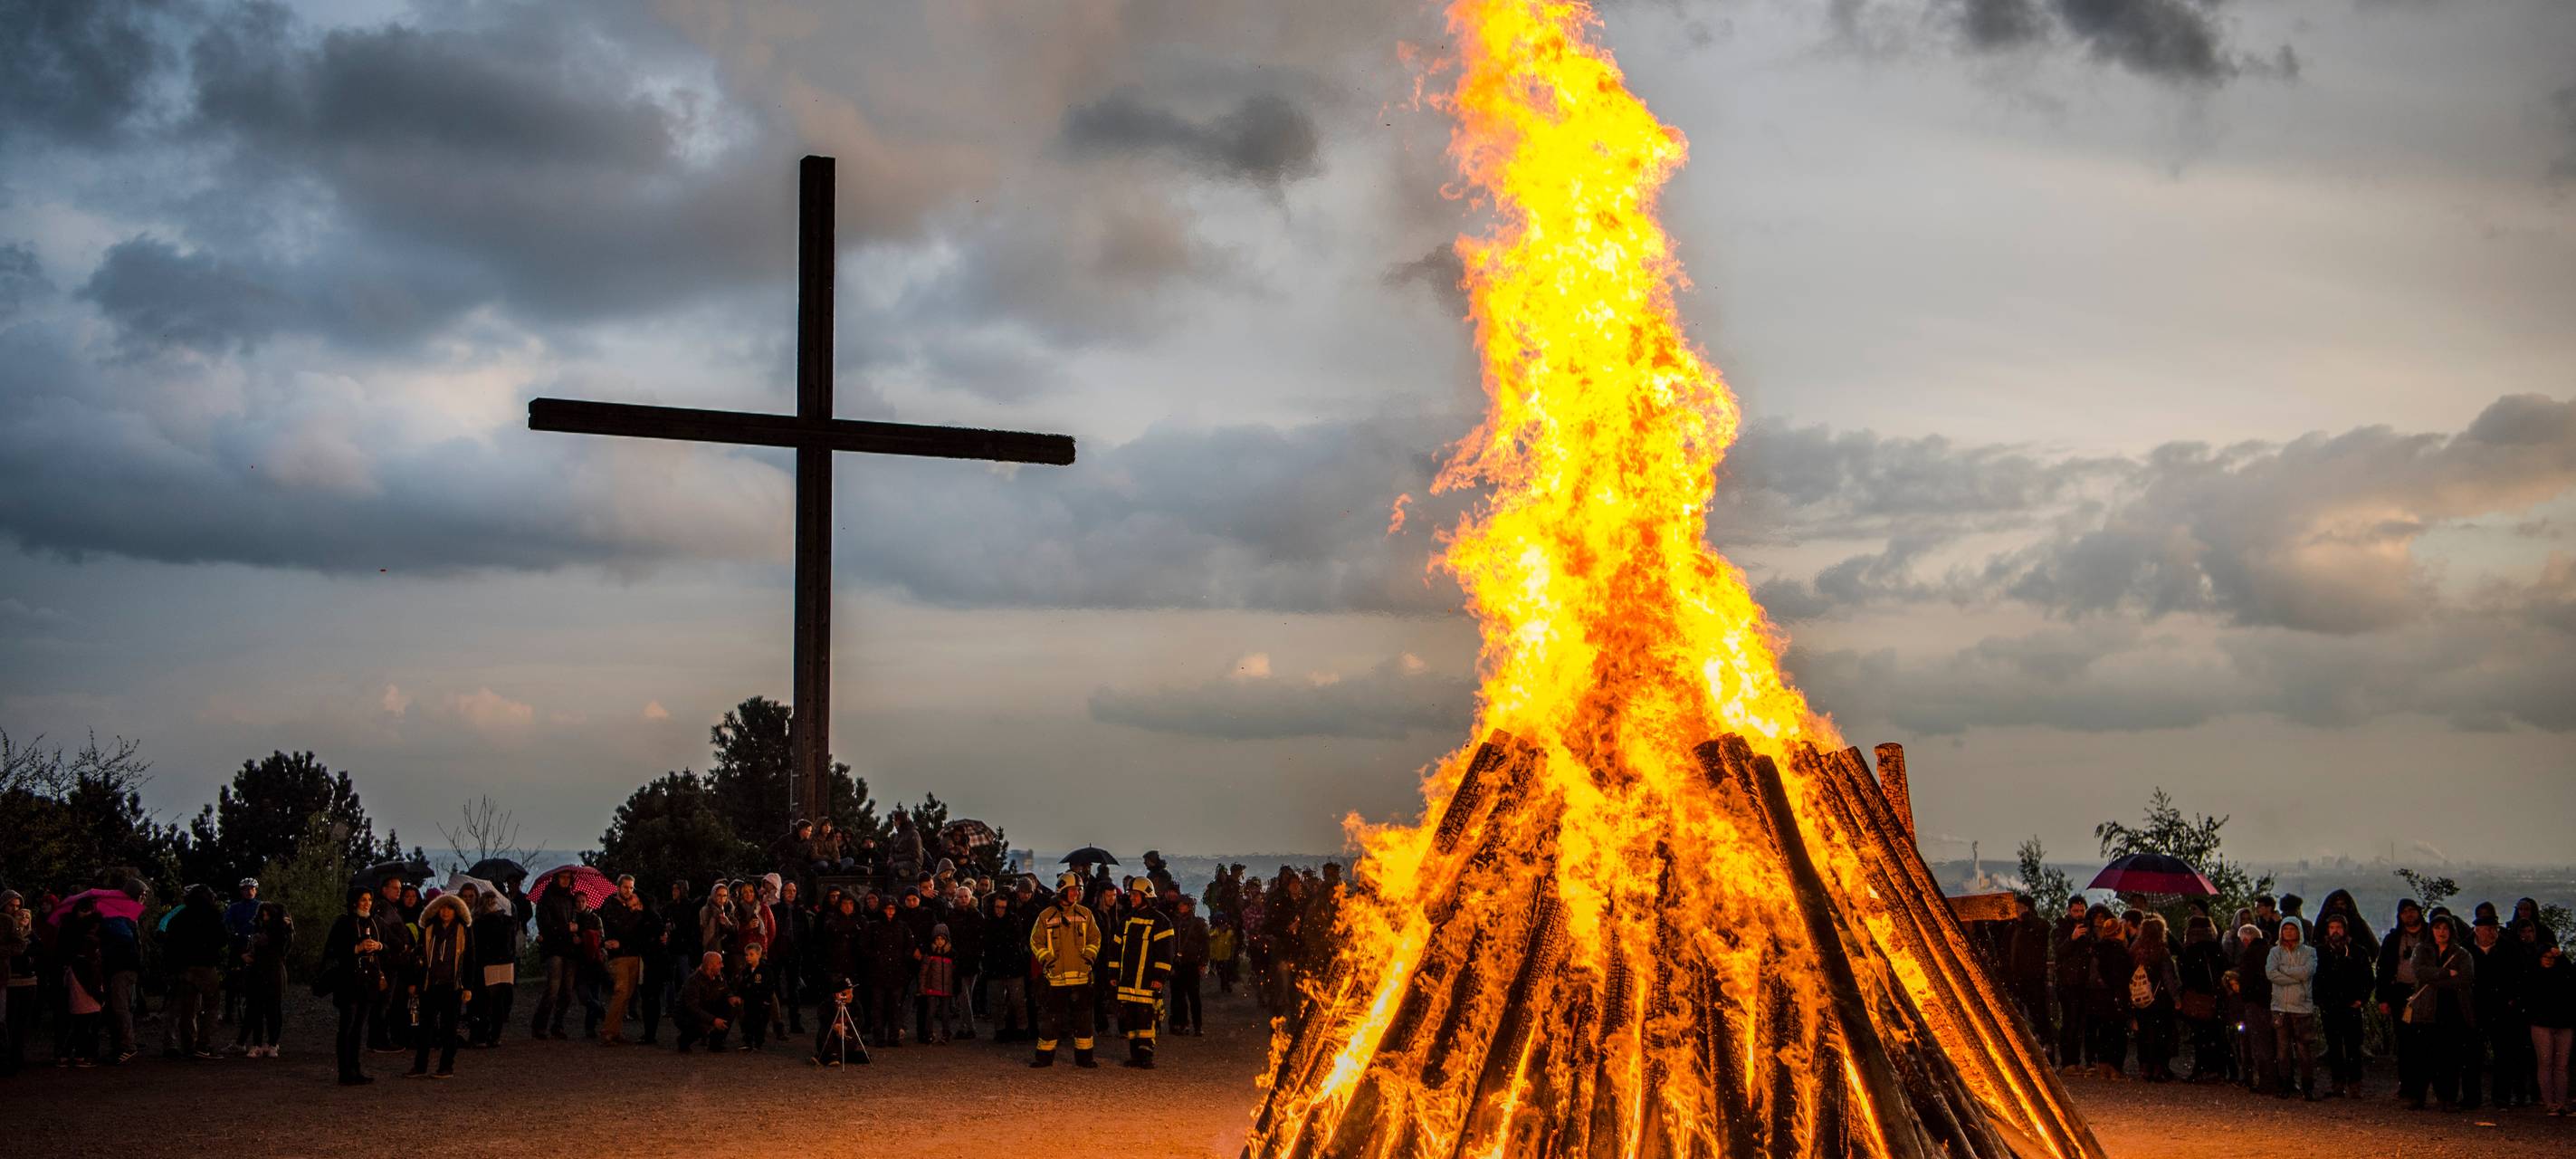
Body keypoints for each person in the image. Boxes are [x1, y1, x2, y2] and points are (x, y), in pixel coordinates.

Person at [1030, 871, 1101, 1068]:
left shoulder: (1086, 915)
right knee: (1051, 1021)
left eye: (1078, 890)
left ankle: (1085, 1059)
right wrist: (1048, 959)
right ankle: (1044, 1058)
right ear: (1061, 891)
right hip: (1056, 979)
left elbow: (1096, 938)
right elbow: (1036, 941)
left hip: (1081, 978)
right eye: (1072, 890)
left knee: (1084, 1021)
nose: (1076, 894)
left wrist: (1088, 957)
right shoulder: (1046, 916)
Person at [2408, 915, 2477, 1111]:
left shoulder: (2462, 954)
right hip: (2427, 1010)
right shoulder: (2422, 949)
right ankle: (2418, 1097)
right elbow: (2419, 971)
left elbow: (2464, 979)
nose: (2441, 932)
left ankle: (2447, 1098)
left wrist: (2434, 976)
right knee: (2423, 1056)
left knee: (2450, 1058)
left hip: (2452, 1010)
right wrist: (2446, 973)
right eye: (2437, 928)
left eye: (2445, 928)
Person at [1107, 876, 1175, 1068]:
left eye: (1135, 895)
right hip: (1128, 983)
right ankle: (1135, 1054)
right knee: (1131, 1019)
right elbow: (1115, 950)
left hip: (1147, 982)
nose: (1131, 898)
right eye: (1131, 894)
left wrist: (1159, 978)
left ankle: (1146, 1056)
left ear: (1146, 896)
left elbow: (1165, 954)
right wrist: (1113, 975)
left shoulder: (1162, 923)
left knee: (1147, 1020)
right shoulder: (1126, 921)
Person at [323, 887, 386, 1085]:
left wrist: (379, 946)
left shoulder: (375, 922)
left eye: (369, 899)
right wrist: (355, 949)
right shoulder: (344, 923)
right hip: (348, 982)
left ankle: (355, 1069)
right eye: (363, 900)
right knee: (347, 1027)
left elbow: (390, 944)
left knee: (359, 1027)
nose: (367, 903)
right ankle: (344, 1072)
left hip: (368, 982)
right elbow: (332, 950)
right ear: (354, 902)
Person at [406, 893, 472, 1078]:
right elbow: (417, 957)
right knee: (425, 1027)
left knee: (449, 1028)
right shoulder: (428, 930)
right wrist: (414, 981)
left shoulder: (463, 930)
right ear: (436, 910)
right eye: (442, 907)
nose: (445, 911)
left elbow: (469, 959)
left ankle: (446, 1066)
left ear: (456, 911)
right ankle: (420, 1066)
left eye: (450, 908)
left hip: (452, 986)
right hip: (430, 985)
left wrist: (468, 986)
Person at [2465, 913, 2525, 1109]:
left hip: (2501, 1009)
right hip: (2475, 1008)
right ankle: (2471, 1097)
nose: (2492, 932)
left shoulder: (2509, 948)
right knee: (2472, 1055)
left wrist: (2512, 999)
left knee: (2503, 1054)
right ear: (2477, 930)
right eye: (2489, 929)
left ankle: (2501, 1097)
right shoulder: (2465, 949)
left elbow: (2519, 976)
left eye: (2495, 928)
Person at [163, 883, 230, 1059]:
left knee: (188, 1007)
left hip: (185, 967)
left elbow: (171, 941)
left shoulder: (181, 916)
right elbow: (223, 939)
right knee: (211, 1006)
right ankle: (204, 1044)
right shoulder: (213, 915)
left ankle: (189, 1045)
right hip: (207, 966)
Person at [2313, 913, 2373, 1097]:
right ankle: (2337, 1083)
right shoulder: (2320, 952)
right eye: (2332, 928)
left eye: (2338, 927)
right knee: (2334, 1047)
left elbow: (2367, 979)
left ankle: (2355, 1084)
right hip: (2329, 1006)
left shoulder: (2358, 951)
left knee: (2354, 1046)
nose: (2335, 931)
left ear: (2345, 929)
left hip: (2351, 1006)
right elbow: (2315, 979)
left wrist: (2361, 999)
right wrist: (2320, 1000)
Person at [2380, 897, 2432, 1103]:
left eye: (2412, 911)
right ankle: (2406, 1085)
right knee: (2405, 1041)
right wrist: (2383, 998)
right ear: (2400, 916)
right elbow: (2383, 969)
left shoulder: (2430, 935)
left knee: (2425, 1041)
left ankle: (2424, 1087)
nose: (2409, 915)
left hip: (2426, 992)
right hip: (2400, 993)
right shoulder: (2393, 939)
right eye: (2404, 912)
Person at [2266, 917, 2322, 1100]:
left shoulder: (2309, 952)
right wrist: (2296, 978)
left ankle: (2308, 1086)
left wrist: (2285, 971)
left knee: (2304, 1050)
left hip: (2302, 1008)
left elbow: (2308, 972)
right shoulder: (2275, 952)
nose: (2289, 932)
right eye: (2285, 929)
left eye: (2292, 929)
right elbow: (2271, 974)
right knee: (2282, 1051)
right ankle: (2286, 1084)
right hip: (2280, 1007)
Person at [596, 874, 652, 1045]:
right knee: (621, 992)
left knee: (627, 994)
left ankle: (615, 1031)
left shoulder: (629, 907)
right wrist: (637, 914)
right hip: (619, 956)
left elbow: (634, 932)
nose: (629, 891)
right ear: (618, 887)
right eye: (626, 887)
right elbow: (623, 928)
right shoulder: (611, 906)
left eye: (631, 887)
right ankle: (607, 1031)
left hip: (632, 954)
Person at [2523, 934, 2572, 1116]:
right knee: (2546, 1063)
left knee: (2561, 1065)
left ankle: (2561, 1102)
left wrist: (2561, 957)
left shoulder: (2564, 975)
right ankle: (2549, 1102)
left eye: (2551, 958)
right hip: (2542, 1024)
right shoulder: (2533, 976)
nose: (2548, 960)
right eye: (2545, 957)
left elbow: (2572, 974)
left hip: (2563, 1023)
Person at [2128, 915, 2180, 1082]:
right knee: (2161, 1034)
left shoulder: (2135, 949)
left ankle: (2144, 1067)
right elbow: (2168, 978)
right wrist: (2176, 998)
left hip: (2140, 998)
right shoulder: (2161, 951)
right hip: (2160, 999)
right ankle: (2159, 1068)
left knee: (2143, 1034)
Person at [863, 896, 917, 1047]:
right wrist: (877, 958)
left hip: (896, 973)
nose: (890, 912)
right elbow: (865, 947)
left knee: (895, 1006)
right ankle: (879, 1037)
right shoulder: (874, 927)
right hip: (878, 973)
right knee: (878, 1006)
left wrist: (902, 958)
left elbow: (910, 946)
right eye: (887, 909)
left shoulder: (902, 927)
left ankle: (893, 1036)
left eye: (892, 909)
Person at [240, 901, 291, 1058]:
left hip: (272, 971)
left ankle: (271, 1043)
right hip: (261, 971)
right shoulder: (267, 930)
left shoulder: (279, 932)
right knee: (259, 1008)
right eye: (263, 914)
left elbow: (282, 946)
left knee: (272, 1009)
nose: (265, 917)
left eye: (267, 914)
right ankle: (260, 1043)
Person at [979, 892, 1030, 1042]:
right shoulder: (989, 921)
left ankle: (1021, 1028)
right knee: (997, 1001)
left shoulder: (1012, 921)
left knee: (1017, 1000)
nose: (1000, 910)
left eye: (1002, 907)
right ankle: (1001, 1029)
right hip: (997, 966)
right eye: (998, 907)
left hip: (1011, 966)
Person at [2232, 921, 2275, 1093]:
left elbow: (2249, 981)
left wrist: (2243, 993)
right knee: (2269, 1042)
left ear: (2246, 940)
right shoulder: (2270, 951)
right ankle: (2274, 1079)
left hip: (2256, 1004)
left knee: (2259, 1044)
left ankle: (2266, 1082)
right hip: (2270, 1002)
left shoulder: (2250, 954)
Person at [2050, 896, 2091, 1070]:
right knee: (2070, 1021)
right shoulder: (2060, 928)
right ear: (2069, 910)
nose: (2079, 914)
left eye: (2082, 911)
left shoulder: (2088, 929)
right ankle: (2068, 1061)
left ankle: (2075, 1060)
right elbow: (2058, 951)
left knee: (2080, 1022)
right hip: (2067, 983)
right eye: (2076, 911)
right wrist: (2072, 938)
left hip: (2083, 982)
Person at [220, 878, 260, 1042]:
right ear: (241, 891)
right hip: (238, 943)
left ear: (256, 890)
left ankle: (256, 1009)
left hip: (256, 945)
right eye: (245, 889)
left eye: (251, 888)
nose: (248, 891)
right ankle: (229, 1012)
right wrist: (231, 933)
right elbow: (226, 922)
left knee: (257, 977)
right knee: (232, 977)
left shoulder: (260, 906)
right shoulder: (235, 907)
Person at [673, 952, 734, 1053]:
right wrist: (713, 1020)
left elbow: (725, 990)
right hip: (687, 1014)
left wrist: (730, 997)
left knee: (731, 1006)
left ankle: (716, 1042)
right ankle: (684, 1040)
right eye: (719, 963)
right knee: (698, 1024)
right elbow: (692, 1008)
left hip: (706, 1008)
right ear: (710, 965)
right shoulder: (694, 981)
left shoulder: (719, 976)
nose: (722, 965)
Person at [0, 889, 33, 1075]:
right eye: (11, 905)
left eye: (17, 906)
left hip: (6, 976)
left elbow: (19, 945)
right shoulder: (5, 921)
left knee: (5, 1020)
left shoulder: (10, 923)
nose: (14, 909)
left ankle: (7, 1058)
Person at [732, 941, 778, 1051]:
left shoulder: (765, 970)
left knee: (760, 1023)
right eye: (747, 955)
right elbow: (743, 985)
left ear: (758, 955)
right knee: (748, 1021)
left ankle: (758, 1043)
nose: (748, 957)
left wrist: (767, 1001)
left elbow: (770, 986)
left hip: (761, 1002)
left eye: (751, 954)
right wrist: (739, 995)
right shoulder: (746, 971)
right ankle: (748, 1042)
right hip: (750, 1001)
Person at [812, 974, 867, 1067]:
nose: (851, 996)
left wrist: (846, 1028)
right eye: (848, 993)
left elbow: (860, 1021)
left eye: (852, 992)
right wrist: (835, 1026)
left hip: (846, 1037)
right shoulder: (827, 1004)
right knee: (826, 1030)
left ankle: (833, 1056)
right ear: (839, 994)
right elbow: (823, 1018)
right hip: (830, 1039)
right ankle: (830, 1054)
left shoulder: (855, 1004)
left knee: (855, 1032)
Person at [921, 924, 958, 1043]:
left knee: (945, 1013)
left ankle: (946, 1033)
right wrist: (922, 986)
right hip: (932, 987)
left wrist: (954, 986)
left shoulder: (951, 954)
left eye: (942, 939)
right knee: (931, 1012)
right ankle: (929, 1033)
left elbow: (955, 973)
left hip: (946, 989)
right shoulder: (930, 953)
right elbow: (923, 972)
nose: (940, 942)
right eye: (937, 939)